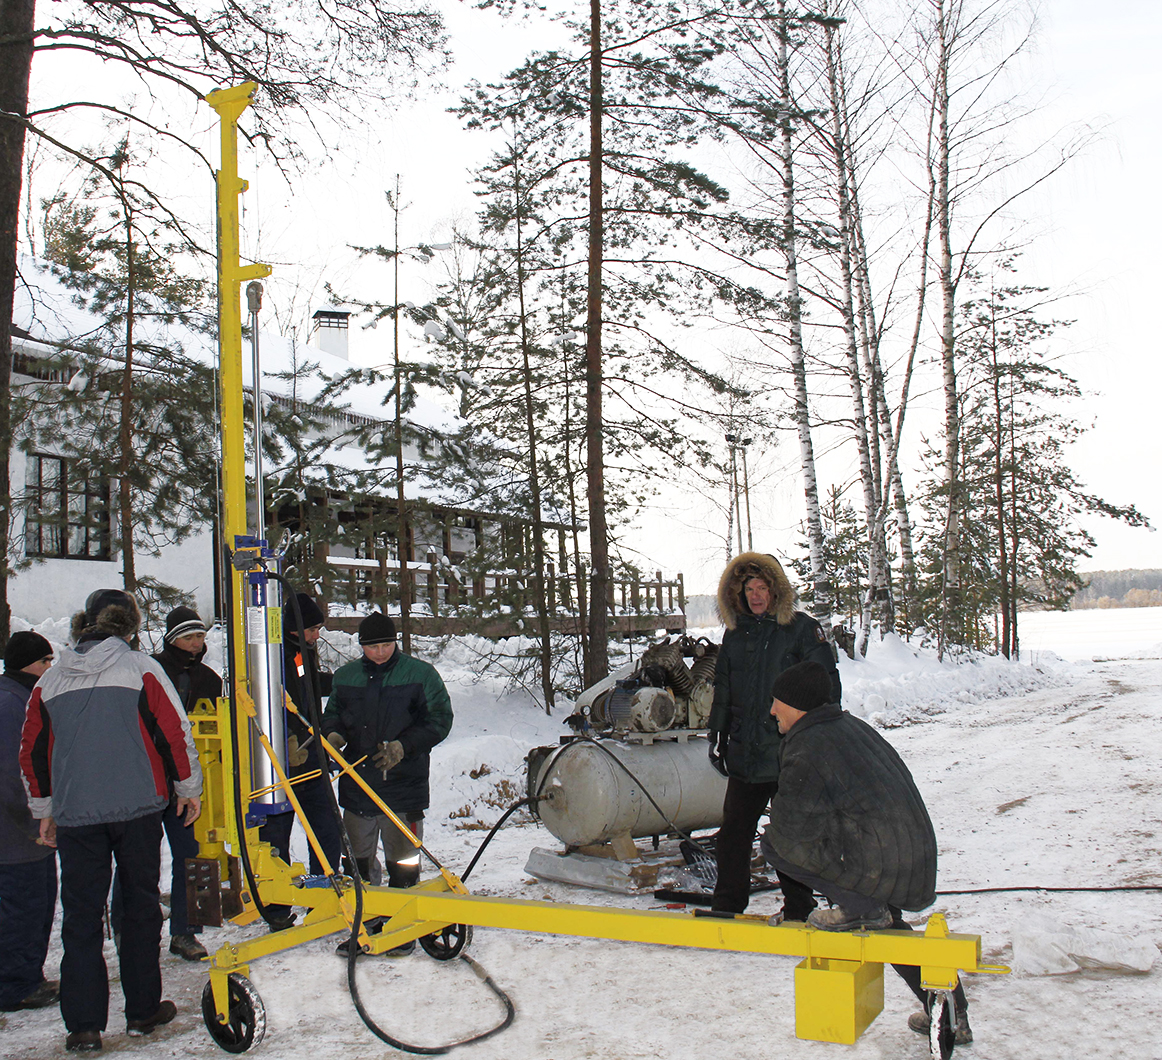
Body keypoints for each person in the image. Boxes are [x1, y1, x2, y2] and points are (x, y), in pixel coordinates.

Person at [20, 589, 203, 1053]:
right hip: (139, 807)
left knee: (81, 915)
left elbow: (33, 750)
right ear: (129, 624)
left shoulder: (52, 678)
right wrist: (188, 789)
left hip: (77, 813)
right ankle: (142, 1010)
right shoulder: (140, 668)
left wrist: (44, 811)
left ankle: (84, 1026)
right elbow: (174, 733)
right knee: (139, 906)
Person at [759, 660, 972, 1045]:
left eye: (777, 702)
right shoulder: (848, 728)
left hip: (882, 859)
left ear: (797, 705)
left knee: (776, 844)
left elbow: (793, 832)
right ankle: (950, 1012)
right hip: (908, 857)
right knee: (886, 925)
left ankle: (858, 906)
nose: (772, 710)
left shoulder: (808, 746)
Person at [707, 551, 841, 919]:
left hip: (788, 752)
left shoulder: (800, 628)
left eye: (762, 587)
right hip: (746, 752)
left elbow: (827, 683)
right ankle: (727, 904)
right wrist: (718, 733)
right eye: (749, 588)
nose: (755, 595)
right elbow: (723, 686)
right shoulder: (735, 634)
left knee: (788, 834)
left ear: (776, 590)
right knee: (733, 833)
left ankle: (799, 906)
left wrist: (822, 736)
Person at [322, 611, 452, 956]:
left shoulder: (420, 675)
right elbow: (332, 713)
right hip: (357, 784)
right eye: (371, 646)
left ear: (395, 642)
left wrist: (403, 746)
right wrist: (332, 735)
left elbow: (440, 719)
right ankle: (364, 925)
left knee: (404, 861)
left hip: (403, 785)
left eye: (385, 645)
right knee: (357, 861)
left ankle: (402, 927)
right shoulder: (346, 677)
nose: (379, 652)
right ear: (361, 646)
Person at [138, 606, 222, 962]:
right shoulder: (149, 673)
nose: (195, 643)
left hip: (188, 782)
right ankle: (134, 929)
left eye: (200, 636)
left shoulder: (209, 678)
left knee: (190, 854)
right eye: (188, 637)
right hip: (148, 779)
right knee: (138, 858)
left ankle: (187, 932)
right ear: (172, 639)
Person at [259, 592, 342, 905]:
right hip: (285, 760)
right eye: (311, 630)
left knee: (325, 823)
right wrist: (292, 737)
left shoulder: (302, 653)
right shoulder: (274, 658)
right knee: (277, 829)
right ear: (294, 628)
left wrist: (340, 681)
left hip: (311, 754)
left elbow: (308, 687)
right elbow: (276, 703)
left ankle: (326, 885)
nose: (316, 635)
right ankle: (276, 903)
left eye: (318, 629)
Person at [0, 631, 59, 1013]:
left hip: (18, 830)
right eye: (45, 663)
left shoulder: (18, 697)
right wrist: (35, 818)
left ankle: (21, 976)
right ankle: (18, 984)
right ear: (29, 665)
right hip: (17, 833)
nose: (49, 670)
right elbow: (12, 771)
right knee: (26, 907)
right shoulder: (13, 704)